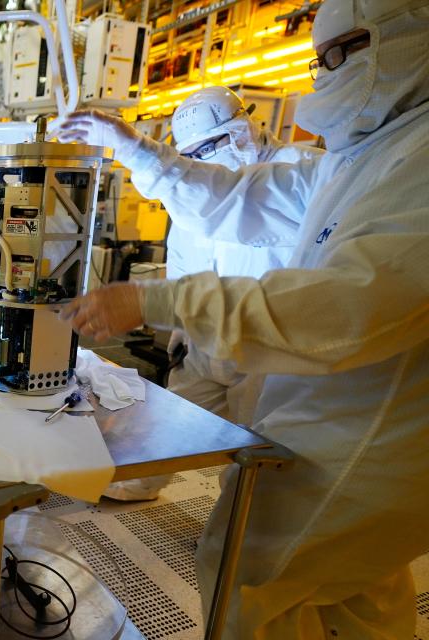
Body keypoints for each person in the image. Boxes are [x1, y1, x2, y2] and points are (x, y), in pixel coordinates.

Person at [58, 0, 429, 636]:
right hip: (289, 377)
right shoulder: (360, 158)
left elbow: (345, 307)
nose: (326, 76)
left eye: (338, 57)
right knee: (353, 591)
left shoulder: (414, 161)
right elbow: (237, 199)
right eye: (321, 63)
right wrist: (135, 149)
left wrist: (159, 303)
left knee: (245, 571)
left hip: (364, 434)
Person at [105, 87, 323, 502]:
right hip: (208, 335)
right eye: (193, 154)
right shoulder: (195, 189)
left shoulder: (300, 172)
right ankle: (140, 480)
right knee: (175, 416)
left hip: (270, 345)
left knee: (256, 446)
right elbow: (186, 259)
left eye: (211, 146)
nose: (203, 159)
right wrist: (180, 329)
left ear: (243, 127)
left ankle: (242, 530)